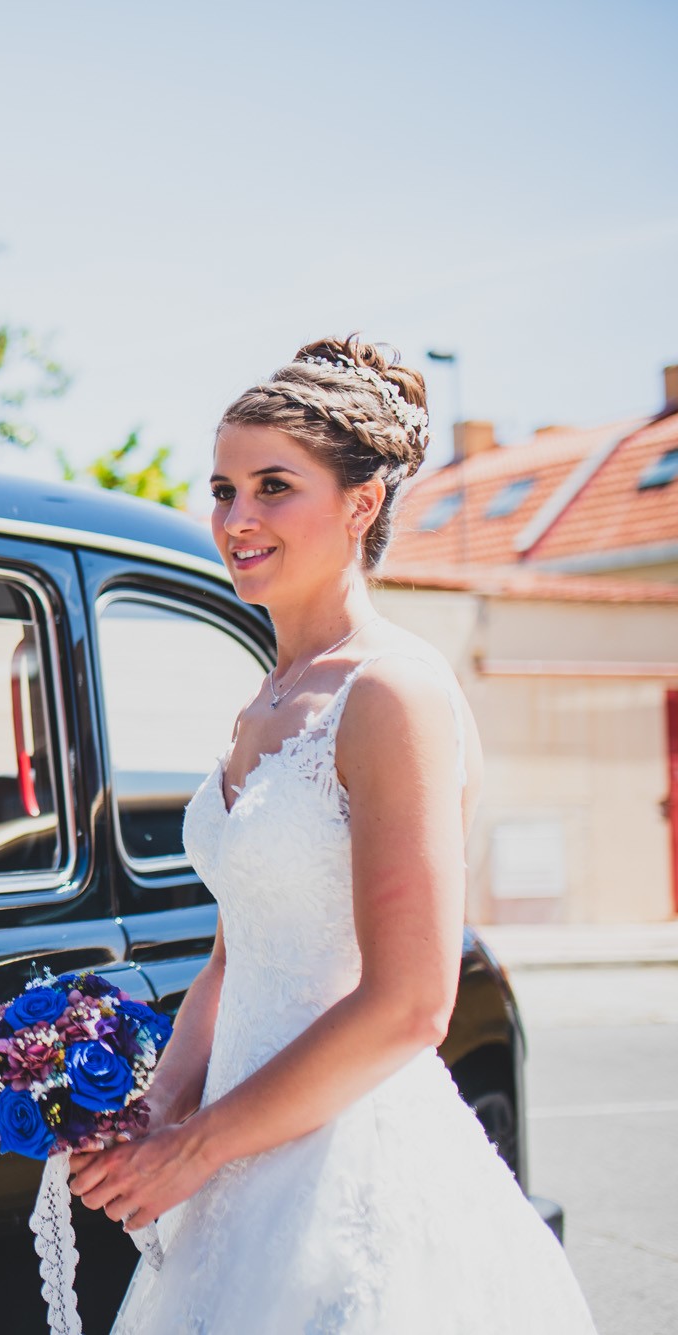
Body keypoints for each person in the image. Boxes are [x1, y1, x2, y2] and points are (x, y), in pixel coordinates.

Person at [67, 337, 597, 1332]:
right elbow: (231, 960)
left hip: (349, 1167)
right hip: (232, 1173)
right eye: (222, 490)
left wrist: (194, 1146)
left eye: (273, 486)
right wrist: (154, 1106)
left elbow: (407, 1005)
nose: (235, 519)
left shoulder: (390, 692)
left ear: (360, 503)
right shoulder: (261, 705)